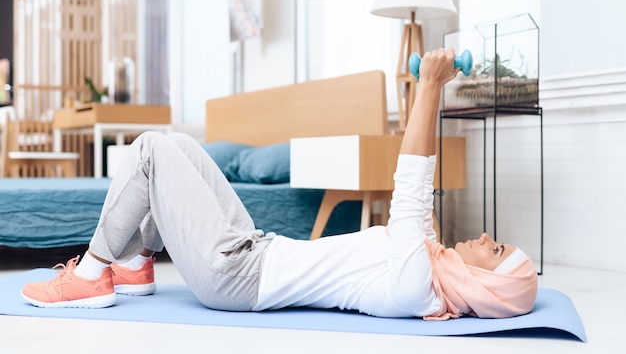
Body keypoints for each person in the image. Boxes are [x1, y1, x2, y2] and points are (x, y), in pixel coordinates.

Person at [21, 48, 538, 320]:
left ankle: (91, 274)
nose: (487, 238)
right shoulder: (430, 264)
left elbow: (411, 190)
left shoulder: (416, 287)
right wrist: (432, 90)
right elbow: (418, 202)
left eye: (495, 251)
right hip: (255, 250)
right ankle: (134, 265)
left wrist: (426, 85)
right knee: (177, 145)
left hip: (236, 278)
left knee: (151, 149)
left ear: (485, 284)